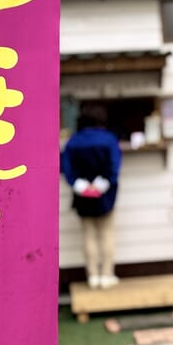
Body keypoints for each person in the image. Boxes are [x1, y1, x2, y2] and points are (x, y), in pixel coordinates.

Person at [61, 103, 122, 288]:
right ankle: (106, 275)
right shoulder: (109, 139)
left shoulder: (73, 141)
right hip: (106, 194)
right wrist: (101, 184)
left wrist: (80, 185)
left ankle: (93, 276)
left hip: (81, 194)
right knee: (106, 233)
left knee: (88, 234)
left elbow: (66, 167)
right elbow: (114, 166)